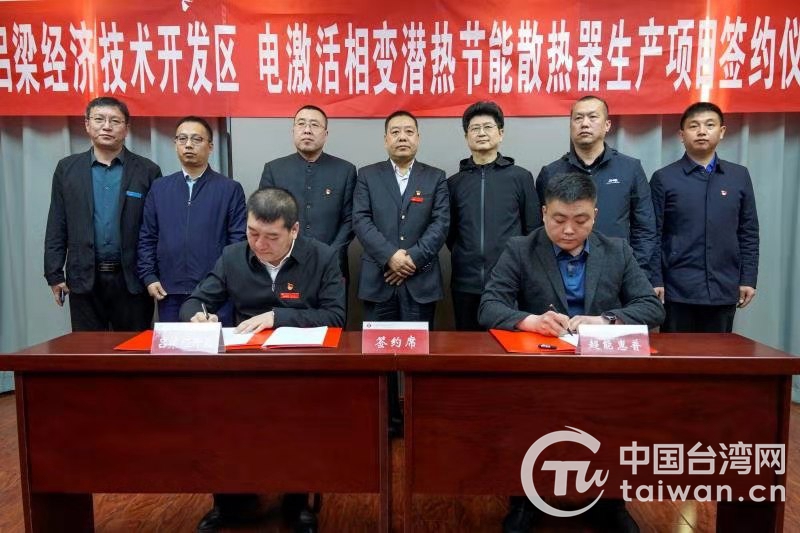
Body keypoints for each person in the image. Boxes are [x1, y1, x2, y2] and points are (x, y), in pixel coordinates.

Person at [479, 173, 663, 533]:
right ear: (544, 213)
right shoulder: (521, 249)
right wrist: (530, 321)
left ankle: (611, 501)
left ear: (595, 215)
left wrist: (606, 319)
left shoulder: (617, 250)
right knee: (524, 421)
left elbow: (651, 307)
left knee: (616, 422)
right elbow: (489, 305)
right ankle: (524, 499)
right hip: (541, 368)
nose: (568, 230)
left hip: (601, 371)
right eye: (559, 219)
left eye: (580, 220)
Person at [180, 187, 345, 533]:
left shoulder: (322, 257)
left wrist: (277, 317)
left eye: (271, 237)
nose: (259, 244)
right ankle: (228, 502)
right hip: (246, 365)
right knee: (220, 418)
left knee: (297, 422)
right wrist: (197, 316)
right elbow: (195, 301)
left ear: (294, 230)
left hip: (300, 367)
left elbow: (335, 316)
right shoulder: (232, 256)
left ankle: (297, 503)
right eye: (253, 233)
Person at [352, 110, 449, 437]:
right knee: (380, 358)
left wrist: (412, 260)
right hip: (379, 280)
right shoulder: (367, 175)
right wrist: (390, 257)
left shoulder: (435, 177)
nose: (402, 137)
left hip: (420, 280)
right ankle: (387, 421)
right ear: (385, 140)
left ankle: (417, 420)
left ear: (418, 138)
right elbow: (361, 220)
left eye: (409, 131)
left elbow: (441, 224)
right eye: (395, 132)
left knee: (418, 356)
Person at [44, 96, 162, 331]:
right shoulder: (67, 169)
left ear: (126, 128)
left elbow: (156, 230)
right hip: (84, 278)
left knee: (133, 348)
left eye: (115, 121)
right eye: (99, 119)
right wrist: (54, 274)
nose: (107, 126)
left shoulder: (147, 170)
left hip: (132, 280)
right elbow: (57, 223)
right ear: (87, 124)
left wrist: (153, 274)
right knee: (87, 349)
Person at [650, 102, 759, 332]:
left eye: (709, 125)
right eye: (694, 126)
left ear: (722, 131)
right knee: (675, 353)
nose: (701, 131)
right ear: (682, 135)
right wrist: (655, 279)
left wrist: (748, 278)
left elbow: (748, 232)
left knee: (719, 354)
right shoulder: (664, 178)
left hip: (724, 287)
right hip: (677, 289)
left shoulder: (739, 176)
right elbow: (653, 234)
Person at [137, 116, 246, 324]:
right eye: (182, 139)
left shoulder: (229, 189)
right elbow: (147, 237)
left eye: (196, 139)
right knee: (174, 345)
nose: (188, 145)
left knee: (215, 344)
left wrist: (226, 280)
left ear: (210, 146)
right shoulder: (159, 188)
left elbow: (238, 241)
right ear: (175, 144)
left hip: (215, 291)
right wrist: (149, 276)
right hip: (169, 290)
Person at [535, 96, 657, 279]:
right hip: (564, 273)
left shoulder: (630, 169)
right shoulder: (551, 173)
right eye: (578, 118)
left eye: (592, 117)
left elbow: (645, 227)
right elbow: (540, 228)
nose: (585, 124)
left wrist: (635, 271)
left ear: (607, 125)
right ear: (570, 126)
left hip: (618, 272)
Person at [447, 100, 542, 330]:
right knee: (467, 344)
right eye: (474, 128)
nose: (481, 133)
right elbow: (450, 233)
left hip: (509, 281)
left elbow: (533, 230)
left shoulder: (520, 177)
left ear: (500, 133)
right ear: (466, 136)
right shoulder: (454, 183)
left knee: (506, 345)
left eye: (488, 127)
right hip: (465, 282)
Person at [259, 104, 356, 286]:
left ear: (326, 134)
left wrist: (330, 255)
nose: (307, 130)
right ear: (293, 131)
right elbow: (264, 218)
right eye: (301, 124)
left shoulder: (345, 171)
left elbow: (350, 220)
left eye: (314, 125)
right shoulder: (274, 170)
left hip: (333, 266)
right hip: (284, 265)